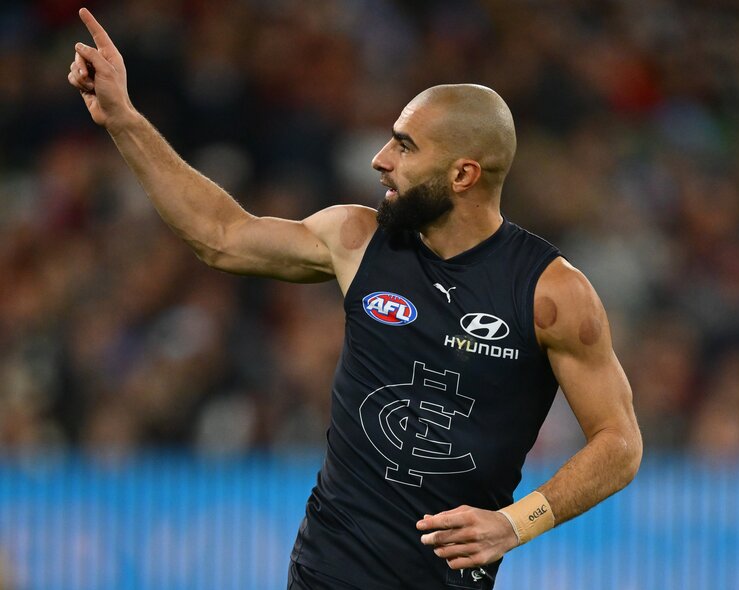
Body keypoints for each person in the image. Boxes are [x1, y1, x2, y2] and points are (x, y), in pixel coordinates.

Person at [68, 8, 642, 589]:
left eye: (405, 147)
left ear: (463, 175)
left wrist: (515, 524)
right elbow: (220, 237)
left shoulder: (551, 292)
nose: (380, 160)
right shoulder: (358, 240)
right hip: (327, 572)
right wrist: (123, 119)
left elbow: (619, 443)